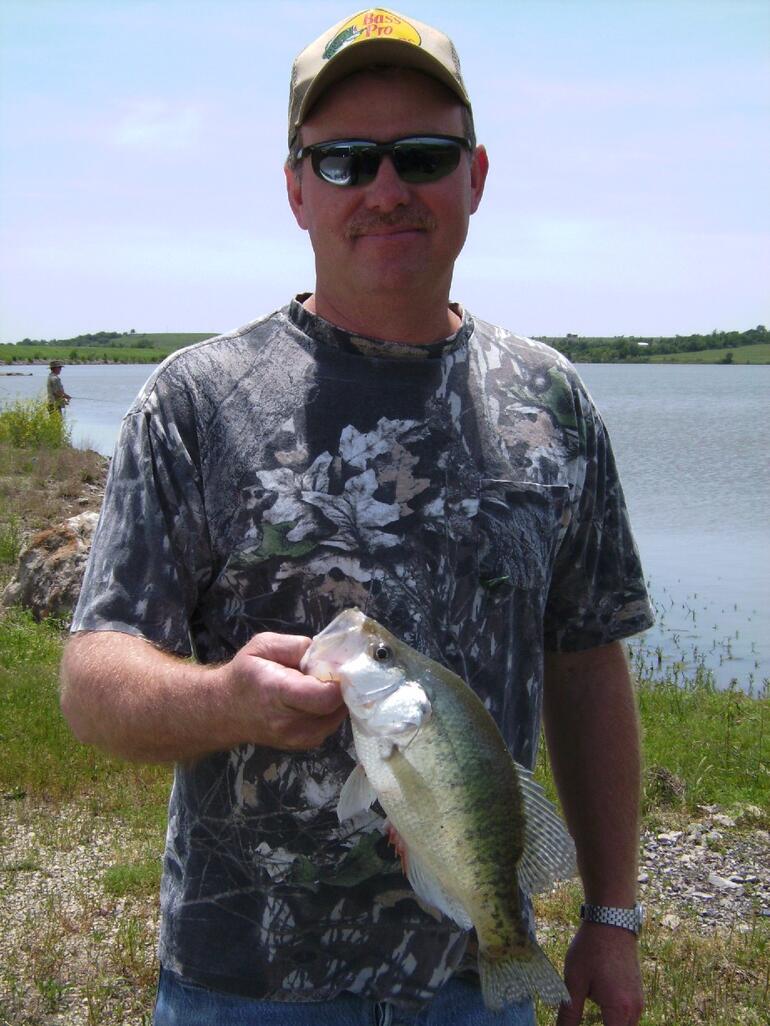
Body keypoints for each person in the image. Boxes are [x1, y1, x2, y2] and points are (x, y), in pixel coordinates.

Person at [60, 9, 653, 1026]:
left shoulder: (551, 401)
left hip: (476, 982)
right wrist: (227, 703)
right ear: (295, 188)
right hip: (240, 986)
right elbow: (90, 681)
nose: (385, 191)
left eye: (421, 157)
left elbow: (586, 663)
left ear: (474, 177)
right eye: (343, 162)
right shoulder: (195, 400)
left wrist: (610, 913)